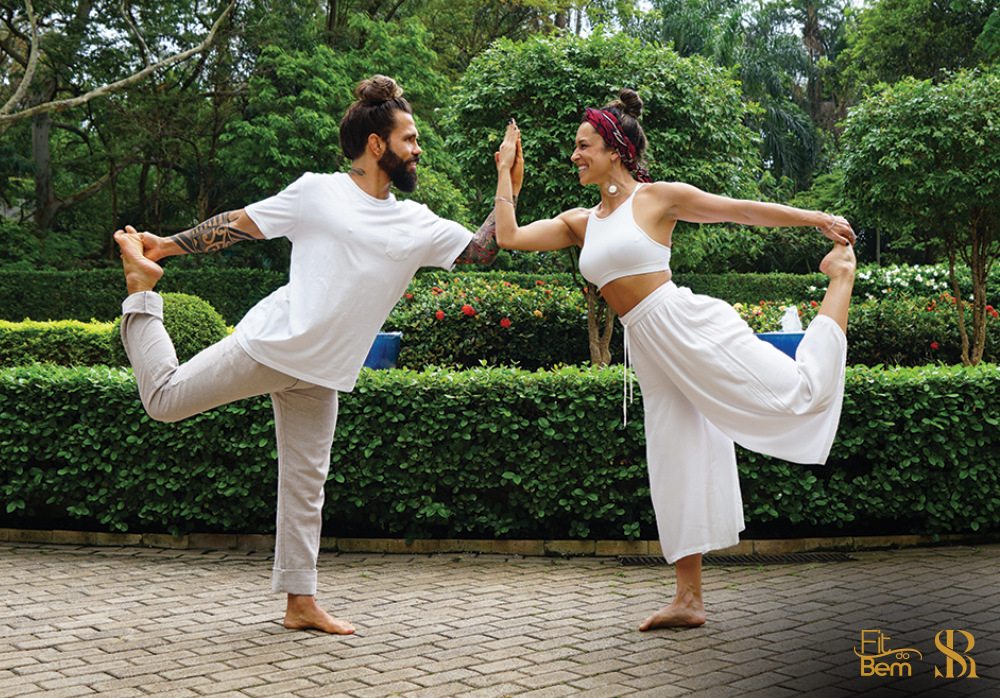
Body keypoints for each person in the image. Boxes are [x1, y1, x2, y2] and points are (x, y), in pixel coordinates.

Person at [112, 75, 520, 635]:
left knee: (306, 485)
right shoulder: (316, 192)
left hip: (323, 373)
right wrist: (164, 247)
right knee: (164, 400)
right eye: (410, 138)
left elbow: (480, 251)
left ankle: (300, 603)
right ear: (377, 145)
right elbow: (237, 226)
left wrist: (506, 184)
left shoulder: (415, 222)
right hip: (274, 346)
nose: (417, 149)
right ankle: (142, 292)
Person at [492, 90, 856, 630]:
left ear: (614, 150)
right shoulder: (580, 222)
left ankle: (842, 275)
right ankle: (689, 599)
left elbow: (741, 211)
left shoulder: (658, 199)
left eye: (582, 145)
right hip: (647, 345)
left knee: (798, 392)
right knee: (675, 459)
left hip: (685, 324)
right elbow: (509, 236)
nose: (574, 155)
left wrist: (815, 218)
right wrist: (507, 176)